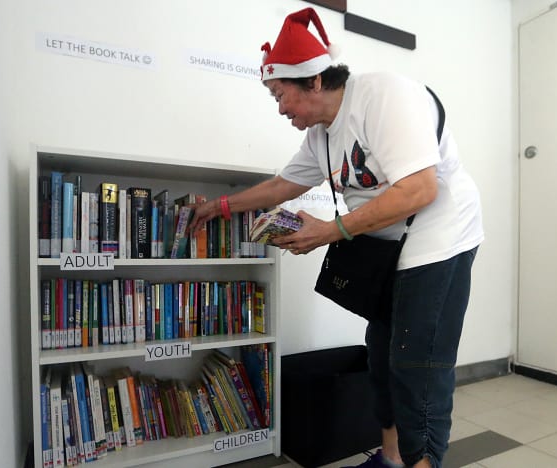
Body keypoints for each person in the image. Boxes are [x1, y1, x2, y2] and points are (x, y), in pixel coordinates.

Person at [188, 7, 483, 468]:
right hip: (387, 249)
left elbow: (420, 188)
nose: (280, 107)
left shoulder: (385, 95)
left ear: (315, 81)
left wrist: (329, 231)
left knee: (416, 367)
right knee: (382, 360)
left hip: (441, 238)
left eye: (280, 94)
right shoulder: (321, 135)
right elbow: (283, 185)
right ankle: (390, 459)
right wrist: (220, 207)